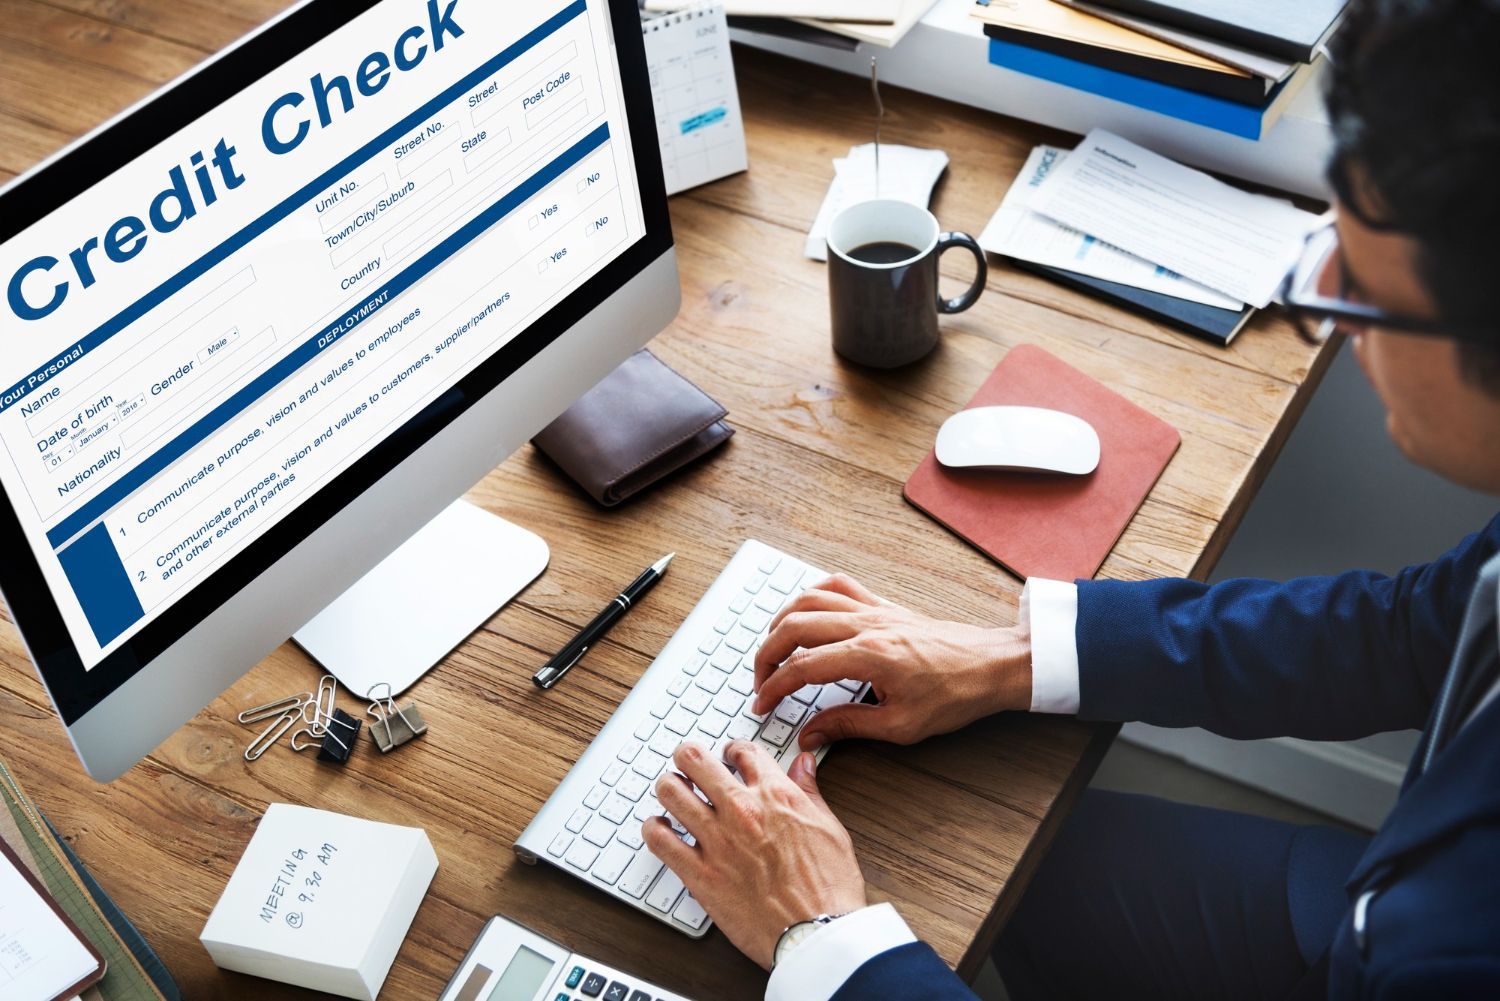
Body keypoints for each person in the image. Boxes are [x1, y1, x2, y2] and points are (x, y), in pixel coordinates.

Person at [637, 0, 1500, 997]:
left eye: (1361, 292)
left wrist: (826, 935)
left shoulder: (1458, 957)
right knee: (1023, 867)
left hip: (1392, 944)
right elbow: (1409, 632)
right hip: (1379, 899)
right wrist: (1014, 656)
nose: (1330, 321)